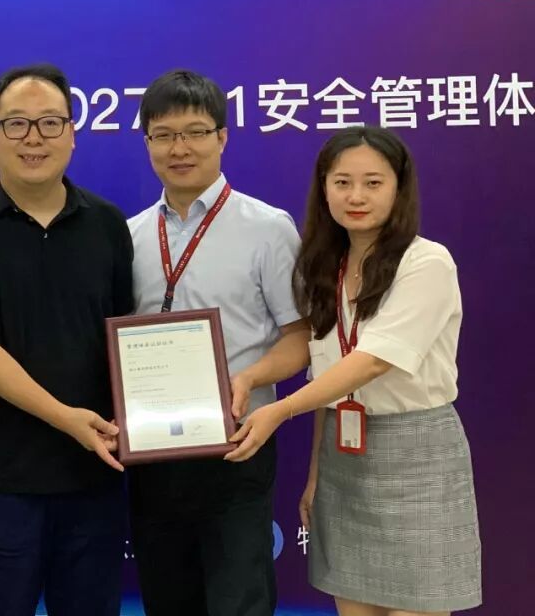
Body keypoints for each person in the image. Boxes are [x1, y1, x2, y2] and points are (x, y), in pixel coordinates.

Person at [228, 125, 482, 615]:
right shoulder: (325, 268)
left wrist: (279, 410)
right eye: (342, 182)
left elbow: (372, 361)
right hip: (344, 459)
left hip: (418, 458)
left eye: (373, 182)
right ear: (324, 189)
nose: (356, 196)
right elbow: (330, 380)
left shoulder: (426, 262)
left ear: (399, 188)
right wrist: (317, 474)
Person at [0, 63, 134, 616]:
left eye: (49, 123)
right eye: (16, 124)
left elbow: (125, 341)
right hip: (4, 479)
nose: (34, 139)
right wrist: (66, 418)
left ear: (72, 133)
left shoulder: (107, 224)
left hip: (94, 471)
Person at [125, 69, 311, 616]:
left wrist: (249, 378)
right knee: (167, 599)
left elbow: (300, 338)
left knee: (239, 600)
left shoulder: (268, 228)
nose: (179, 148)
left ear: (222, 137)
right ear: (147, 142)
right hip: (154, 454)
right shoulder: (130, 235)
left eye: (195, 132)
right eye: (163, 135)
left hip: (237, 446)